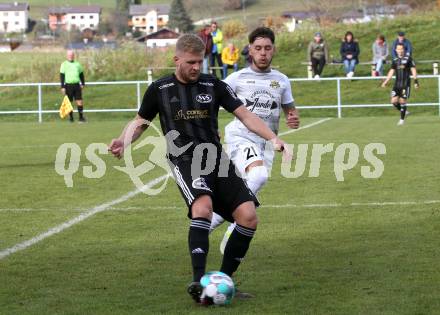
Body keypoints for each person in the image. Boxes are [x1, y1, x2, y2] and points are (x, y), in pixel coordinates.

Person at [108, 34, 288, 304]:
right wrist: (123, 140)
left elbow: (246, 115)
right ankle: (199, 280)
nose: (196, 67)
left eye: (200, 62)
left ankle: (223, 281)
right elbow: (141, 121)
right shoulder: (159, 89)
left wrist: (273, 137)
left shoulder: (213, 84)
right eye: (191, 62)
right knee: (202, 207)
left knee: (248, 216)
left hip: (217, 159)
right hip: (185, 159)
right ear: (176, 59)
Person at [210, 27, 300, 254]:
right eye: (258, 48)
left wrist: (293, 117)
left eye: (267, 48)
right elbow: (211, 102)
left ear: (274, 50)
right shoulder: (236, 78)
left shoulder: (281, 80)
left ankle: (206, 224)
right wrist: (211, 128)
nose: (263, 53)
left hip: (265, 144)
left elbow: (290, 108)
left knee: (246, 191)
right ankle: (234, 228)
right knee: (258, 176)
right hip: (240, 137)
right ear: (250, 50)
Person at [381, 43, 419, 125]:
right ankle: (405, 112)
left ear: (403, 49)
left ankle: (402, 120)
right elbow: (391, 71)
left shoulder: (409, 59)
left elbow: (413, 70)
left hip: (405, 85)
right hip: (397, 85)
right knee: (393, 101)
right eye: (398, 49)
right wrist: (386, 81)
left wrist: (416, 81)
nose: (400, 51)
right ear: (396, 50)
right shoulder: (395, 60)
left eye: (401, 49)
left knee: (402, 101)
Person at [60, 50, 86, 122]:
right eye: (69, 55)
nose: (70, 56)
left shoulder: (77, 64)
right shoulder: (64, 64)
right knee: (69, 102)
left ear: (73, 56)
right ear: (67, 56)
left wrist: (83, 83)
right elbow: (62, 76)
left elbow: (81, 74)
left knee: (79, 101)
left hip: (77, 85)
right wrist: (62, 87)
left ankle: (81, 118)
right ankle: (71, 118)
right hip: (68, 85)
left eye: (71, 55)